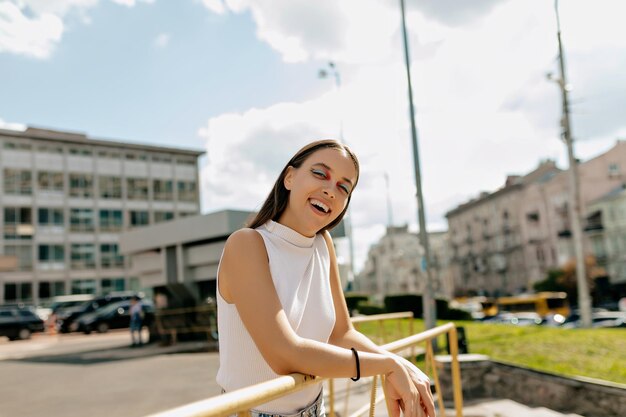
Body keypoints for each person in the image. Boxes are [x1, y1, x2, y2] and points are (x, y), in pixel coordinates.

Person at [216, 140, 435, 417]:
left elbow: (341, 334)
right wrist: (386, 367)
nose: (331, 190)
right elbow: (284, 354)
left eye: (344, 187)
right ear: (290, 177)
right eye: (320, 174)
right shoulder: (247, 244)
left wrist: (399, 363)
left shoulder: (322, 244)